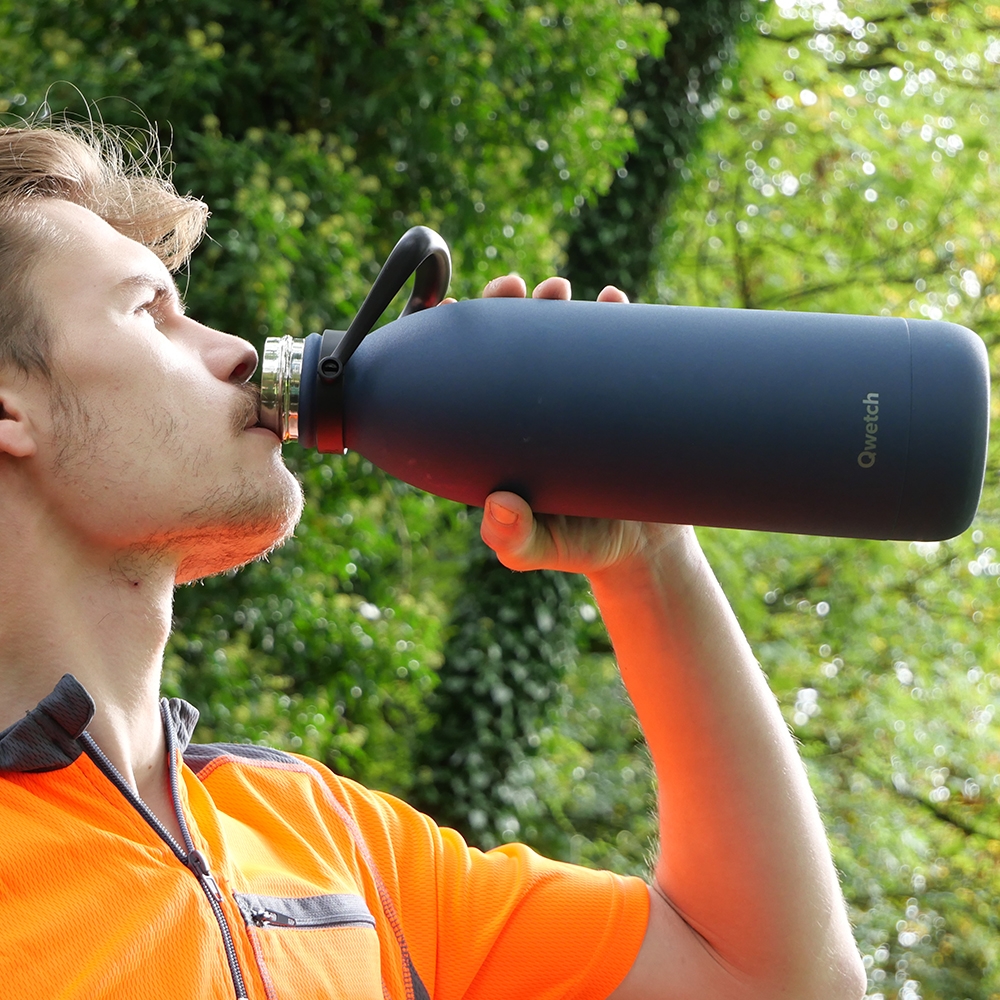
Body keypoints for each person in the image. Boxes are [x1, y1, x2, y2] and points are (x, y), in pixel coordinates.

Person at [0, 121, 866, 1000]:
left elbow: (776, 980)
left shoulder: (328, 837)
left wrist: (651, 556)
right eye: (148, 311)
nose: (237, 352)